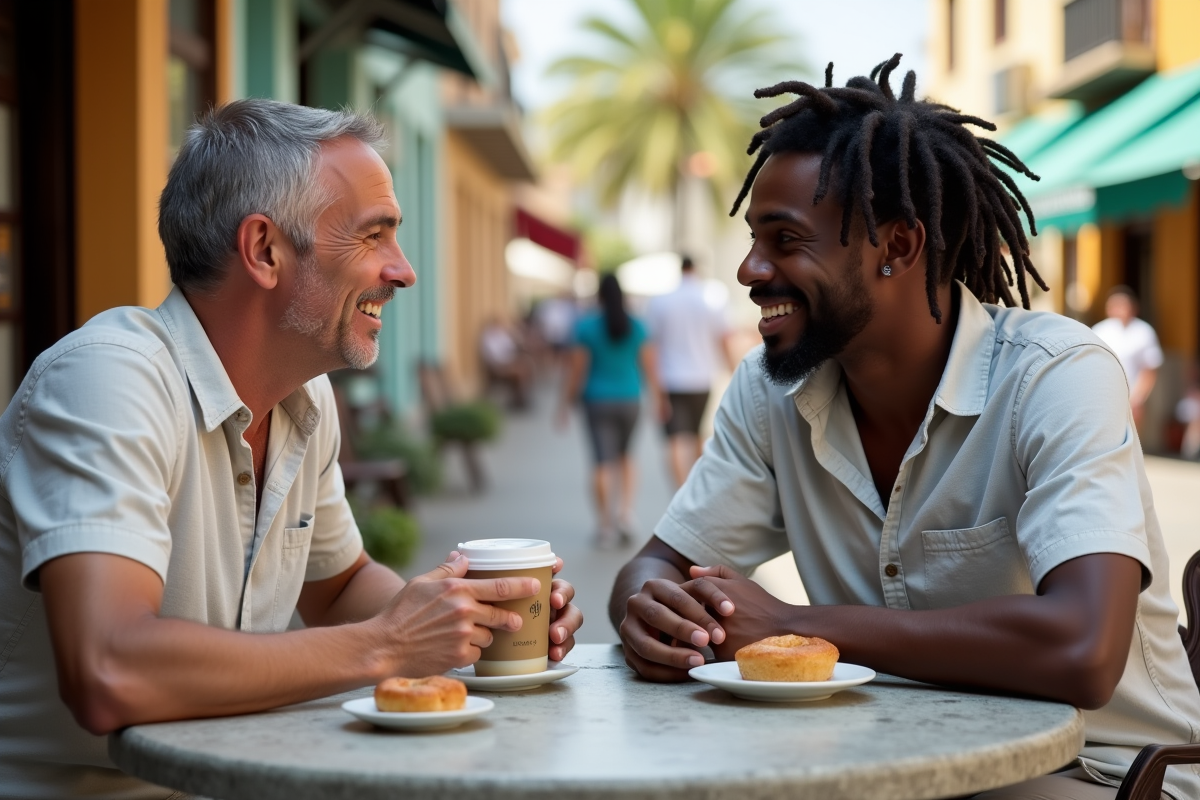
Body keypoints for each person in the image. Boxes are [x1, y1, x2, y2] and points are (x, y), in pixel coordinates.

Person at [610, 56, 1200, 800]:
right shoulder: (770, 391)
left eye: (785, 240)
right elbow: (653, 566)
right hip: (895, 762)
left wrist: (797, 626)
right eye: (754, 240)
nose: (751, 270)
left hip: (1099, 770)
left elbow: (1083, 649)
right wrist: (655, 612)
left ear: (898, 247)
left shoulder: (1055, 375)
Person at [0, 100, 582, 799]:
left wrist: (469, 620)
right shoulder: (108, 379)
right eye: (374, 237)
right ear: (265, 250)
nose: (402, 272)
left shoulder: (304, 401)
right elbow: (107, 670)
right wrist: (390, 644)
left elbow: (337, 588)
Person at [557, 273, 662, 547]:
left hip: (596, 400)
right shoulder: (637, 325)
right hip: (630, 398)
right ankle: (625, 514)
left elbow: (577, 370)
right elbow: (649, 366)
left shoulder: (586, 327)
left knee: (601, 462)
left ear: (599, 296)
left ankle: (605, 525)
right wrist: (660, 399)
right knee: (626, 457)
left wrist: (564, 405)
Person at [645, 255, 736, 486]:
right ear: (696, 269)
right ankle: (697, 488)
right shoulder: (711, 297)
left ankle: (679, 491)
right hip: (702, 377)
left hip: (671, 378)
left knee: (675, 439)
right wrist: (734, 370)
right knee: (698, 436)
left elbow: (651, 346)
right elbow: (723, 338)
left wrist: (653, 389)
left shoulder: (661, 301)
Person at [1091, 286, 1162, 431]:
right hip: (1104, 393)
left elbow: (1149, 368)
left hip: (1133, 396)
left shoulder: (1143, 331)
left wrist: (1138, 398)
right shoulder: (1099, 330)